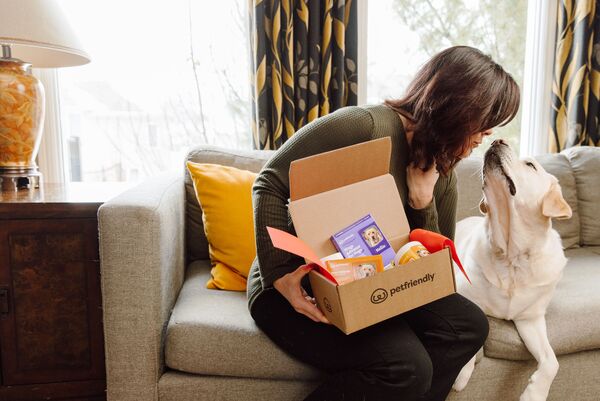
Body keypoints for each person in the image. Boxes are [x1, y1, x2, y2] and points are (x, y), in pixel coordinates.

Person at [246, 45, 520, 401]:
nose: (487, 135)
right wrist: (280, 275)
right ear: (456, 106)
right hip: (300, 281)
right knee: (407, 366)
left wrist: (421, 203)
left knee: (467, 326)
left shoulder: (443, 171)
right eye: (484, 121)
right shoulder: (365, 126)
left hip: (366, 280)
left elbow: (434, 275)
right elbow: (269, 181)